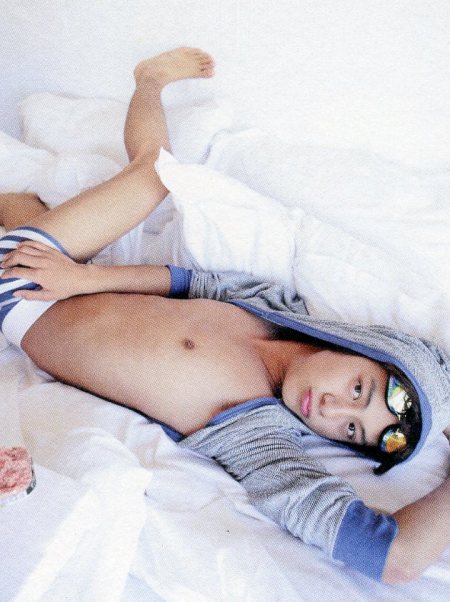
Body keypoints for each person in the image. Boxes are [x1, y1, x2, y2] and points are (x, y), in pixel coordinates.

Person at [0, 48, 448, 584]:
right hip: (61, 279)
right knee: (69, 193)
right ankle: (146, 84)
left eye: (352, 430)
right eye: (358, 389)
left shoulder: (254, 431)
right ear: (361, 349)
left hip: (22, 301)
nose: (332, 409)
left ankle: (148, 81)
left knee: (151, 175)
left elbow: (396, 560)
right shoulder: (274, 310)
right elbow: (189, 282)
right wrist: (84, 279)